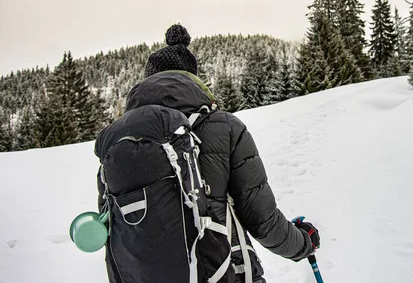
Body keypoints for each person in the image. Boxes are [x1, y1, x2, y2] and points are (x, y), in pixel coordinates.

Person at [106, 23, 320, 283]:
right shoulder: (225, 127)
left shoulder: (117, 143)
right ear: (192, 78)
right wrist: (304, 243)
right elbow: (262, 221)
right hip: (223, 273)